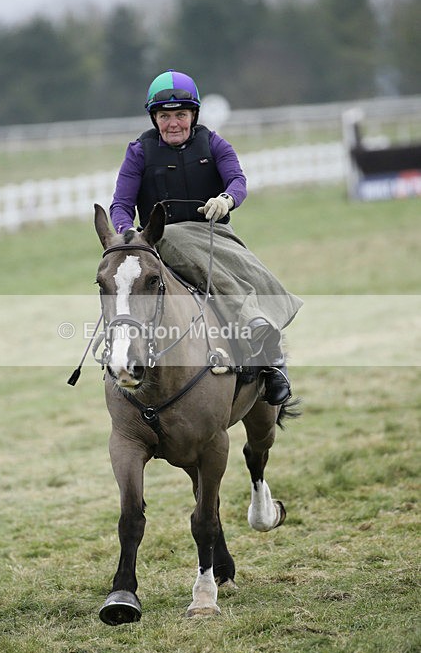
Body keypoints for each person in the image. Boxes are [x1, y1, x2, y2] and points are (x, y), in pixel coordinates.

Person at [109, 69, 302, 405]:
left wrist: (226, 199)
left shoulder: (214, 143)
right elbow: (120, 205)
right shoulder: (139, 152)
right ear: (154, 118)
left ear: (193, 115)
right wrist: (128, 234)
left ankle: (272, 361)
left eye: (180, 115)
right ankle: (119, 351)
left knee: (252, 271)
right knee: (125, 280)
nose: (173, 124)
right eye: (165, 116)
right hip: (157, 243)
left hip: (215, 237)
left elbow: (237, 181)